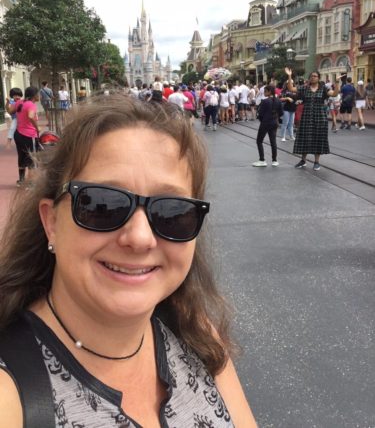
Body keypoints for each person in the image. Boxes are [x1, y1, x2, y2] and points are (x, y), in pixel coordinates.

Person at [0, 96, 257, 427]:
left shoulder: (193, 332)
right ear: (52, 223)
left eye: (171, 211)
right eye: (101, 205)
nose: (139, 238)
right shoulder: (11, 393)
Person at [285, 68, 340, 170]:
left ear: (318, 78)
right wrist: (289, 76)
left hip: (320, 117)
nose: (313, 78)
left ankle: (316, 162)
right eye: (311, 76)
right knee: (304, 138)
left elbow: (335, 94)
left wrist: (337, 82)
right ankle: (303, 160)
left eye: (315, 76)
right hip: (307, 117)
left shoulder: (323, 89)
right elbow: (291, 88)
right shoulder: (304, 88)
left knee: (318, 139)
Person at [5, 86, 41, 187]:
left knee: (22, 157)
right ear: (34, 96)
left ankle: (21, 181)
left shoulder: (19, 103)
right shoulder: (31, 105)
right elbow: (30, 116)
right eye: (38, 94)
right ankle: (31, 183)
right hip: (29, 136)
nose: (40, 96)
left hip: (19, 135)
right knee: (32, 158)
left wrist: (7, 103)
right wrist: (37, 128)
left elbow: (10, 111)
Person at [252, 85, 283, 167]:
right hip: (274, 123)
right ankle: (274, 160)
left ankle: (262, 160)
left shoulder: (265, 101)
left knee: (259, 141)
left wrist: (262, 120)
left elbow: (260, 114)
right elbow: (281, 113)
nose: (264, 93)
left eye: (265, 91)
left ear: (269, 92)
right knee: (273, 142)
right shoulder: (278, 101)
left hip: (265, 123)